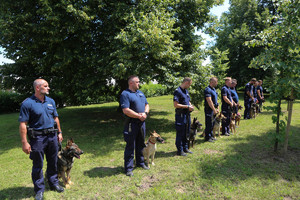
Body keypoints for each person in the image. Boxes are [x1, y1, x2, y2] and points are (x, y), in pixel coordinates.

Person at [19, 79, 64, 200]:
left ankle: (54, 183)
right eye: (46, 86)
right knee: (38, 164)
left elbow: (56, 118)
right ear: (38, 88)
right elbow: (23, 124)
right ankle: (39, 190)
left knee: (53, 161)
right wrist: (24, 142)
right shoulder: (27, 103)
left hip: (52, 136)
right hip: (37, 138)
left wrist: (59, 132)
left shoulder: (51, 101)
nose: (48, 88)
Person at [120, 75, 150, 177]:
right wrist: (138, 116)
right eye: (137, 82)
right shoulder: (125, 94)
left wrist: (145, 113)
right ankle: (128, 168)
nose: (139, 83)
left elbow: (147, 105)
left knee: (140, 144)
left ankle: (140, 163)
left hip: (141, 123)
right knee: (130, 145)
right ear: (131, 83)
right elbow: (126, 110)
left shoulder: (140, 93)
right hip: (131, 124)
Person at [173, 77, 194, 156]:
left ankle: (185, 148)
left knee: (186, 132)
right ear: (186, 83)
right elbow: (176, 105)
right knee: (180, 132)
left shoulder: (186, 91)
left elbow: (188, 100)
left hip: (187, 115)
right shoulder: (177, 91)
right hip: (181, 115)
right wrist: (187, 107)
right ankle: (180, 150)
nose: (189, 86)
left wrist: (190, 105)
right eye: (189, 84)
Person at [204, 77, 219, 142]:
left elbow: (216, 100)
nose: (217, 83)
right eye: (216, 82)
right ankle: (207, 137)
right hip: (209, 109)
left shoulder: (214, 89)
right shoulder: (207, 90)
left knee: (212, 123)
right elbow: (209, 101)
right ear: (211, 82)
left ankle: (211, 135)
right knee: (209, 123)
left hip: (214, 109)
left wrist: (217, 108)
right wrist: (214, 109)